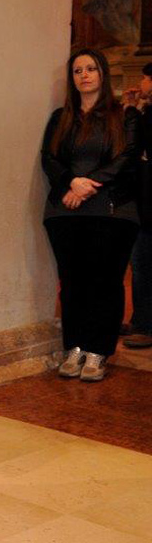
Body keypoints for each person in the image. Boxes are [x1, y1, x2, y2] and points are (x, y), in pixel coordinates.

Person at [41, 48, 140, 381]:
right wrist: (71, 182)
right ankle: (75, 347)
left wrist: (88, 184)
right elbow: (49, 158)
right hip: (65, 211)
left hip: (111, 210)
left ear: (102, 74)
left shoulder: (125, 115)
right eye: (78, 70)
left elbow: (126, 158)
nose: (84, 75)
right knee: (72, 282)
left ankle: (98, 351)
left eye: (91, 69)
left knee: (104, 282)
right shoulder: (60, 117)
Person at [123, 62, 152, 350]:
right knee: (140, 264)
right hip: (144, 204)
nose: (141, 82)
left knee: (144, 264)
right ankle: (140, 319)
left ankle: (146, 326)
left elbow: (141, 141)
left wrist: (132, 111)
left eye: (145, 78)